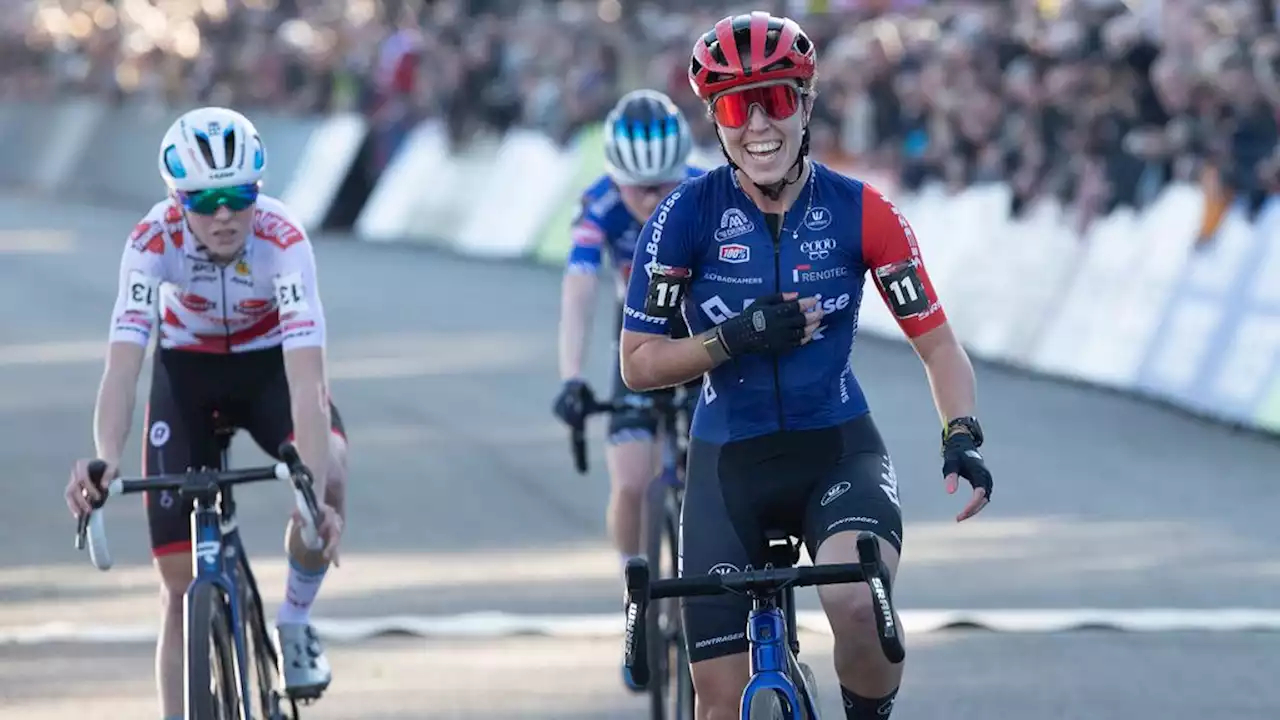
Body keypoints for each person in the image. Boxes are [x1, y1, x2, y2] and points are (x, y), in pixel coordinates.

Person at [619, 12, 995, 720]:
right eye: (736, 106)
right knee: (719, 704)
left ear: (807, 102)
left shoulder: (862, 212)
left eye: (777, 100)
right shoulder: (683, 217)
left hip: (835, 449)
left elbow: (939, 345)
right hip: (729, 459)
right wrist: (735, 338)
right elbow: (639, 364)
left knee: (858, 604)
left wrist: (962, 434)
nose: (758, 125)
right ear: (715, 119)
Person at [62, 106, 347, 720]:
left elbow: (308, 385)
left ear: (258, 193)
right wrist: (105, 458)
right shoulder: (150, 241)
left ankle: (294, 623)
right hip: (187, 376)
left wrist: (313, 493)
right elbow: (123, 366)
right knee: (177, 586)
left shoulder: (284, 241)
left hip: (269, 369)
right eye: (205, 199)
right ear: (176, 199)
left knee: (333, 468)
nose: (223, 214)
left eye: (239, 196)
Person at [550, 88, 702, 691]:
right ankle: (636, 596)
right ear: (616, 179)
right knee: (633, 480)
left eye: (664, 186)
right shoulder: (599, 207)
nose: (653, 199)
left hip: (703, 329)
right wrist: (571, 377)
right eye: (640, 190)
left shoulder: (706, 191)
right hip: (637, 340)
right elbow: (579, 292)